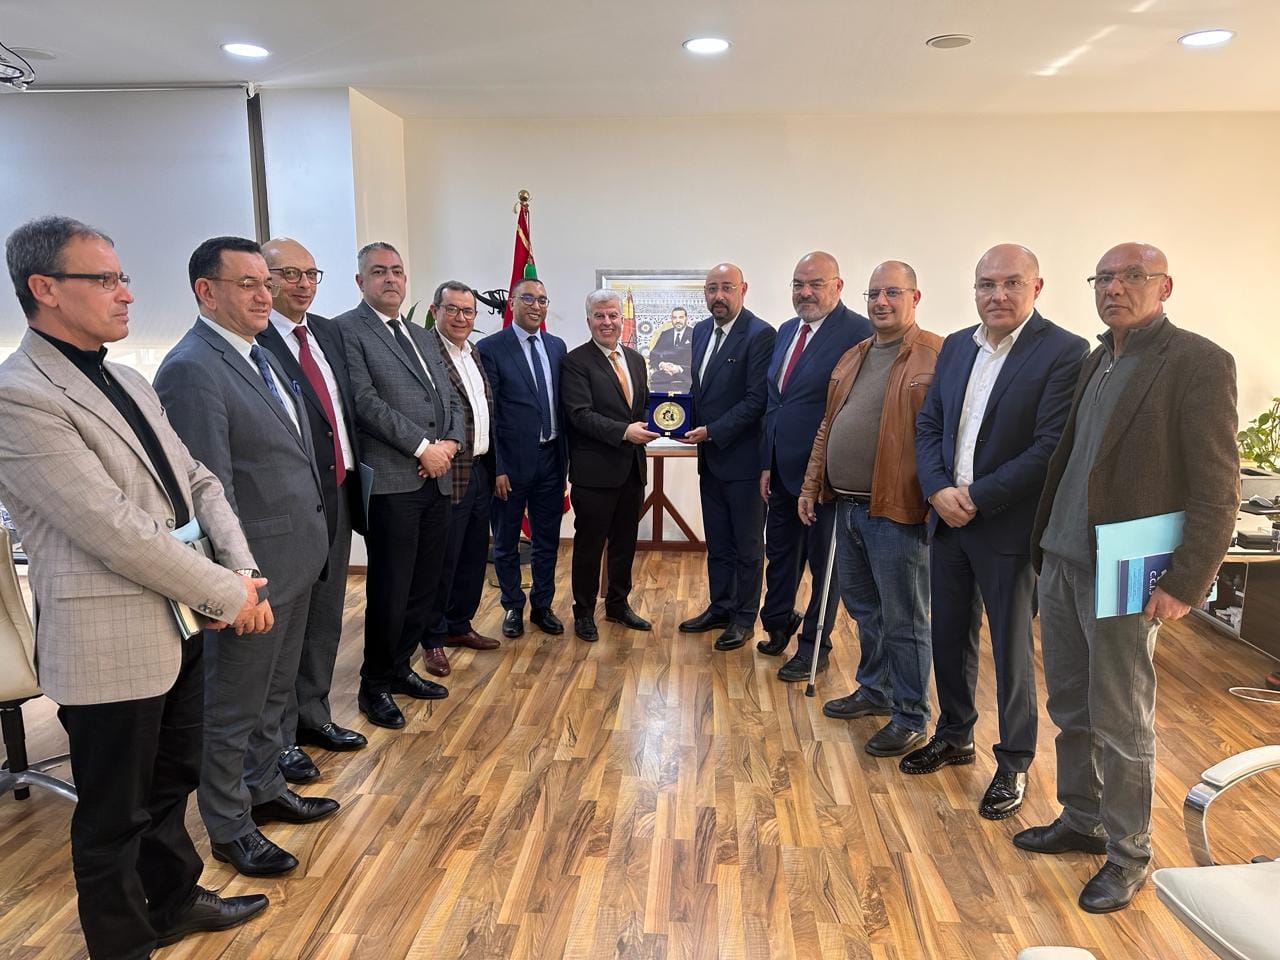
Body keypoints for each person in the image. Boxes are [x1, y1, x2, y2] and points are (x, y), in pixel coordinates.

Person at [0, 216, 269, 958]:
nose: (126, 293)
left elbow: (198, 480)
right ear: (45, 288)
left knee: (170, 781)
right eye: (105, 279)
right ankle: (122, 944)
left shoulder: (124, 379)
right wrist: (229, 594)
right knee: (112, 815)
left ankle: (174, 901)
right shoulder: (20, 394)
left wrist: (243, 570)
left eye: (123, 277)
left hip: (178, 621)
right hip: (107, 638)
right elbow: (112, 529)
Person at [1015, 243, 1239, 914]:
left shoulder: (1197, 362)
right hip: (1062, 561)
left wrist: (1185, 582)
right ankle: (1082, 818)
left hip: (1124, 572)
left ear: (1164, 286)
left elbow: (1218, 488)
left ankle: (1128, 854)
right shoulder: (1099, 358)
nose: (1114, 288)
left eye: (1131, 277)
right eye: (1104, 278)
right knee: (1071, 707)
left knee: (1121, 716)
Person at [155, 236, 337, 878]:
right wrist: (237, 580)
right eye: (249, 284)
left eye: (268, 282)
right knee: (232, 707)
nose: (267, 294)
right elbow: (210, 488)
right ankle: (230, 827)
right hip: (252, 574)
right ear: (206, 292)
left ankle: (264, 789)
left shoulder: (259, 353)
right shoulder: (191, 368)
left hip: (295, 559)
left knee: (273, 696)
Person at [907, 244, 1087, 820]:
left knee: (1010, 650)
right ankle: (954, 734)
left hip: (1007, 526)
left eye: (1011, 283)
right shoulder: (958, 345)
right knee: (948, 635)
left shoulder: (1064, 351)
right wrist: (937, 489)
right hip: (947, 520)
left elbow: (1050, 447)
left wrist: (976, 498)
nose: (998, 295)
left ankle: (1013, 761)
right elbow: (930, 424)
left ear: (1037, 287)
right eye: (987, 284)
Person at [798, 261, 942, 757]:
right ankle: (876, 689)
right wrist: (811, 484)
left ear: (915, 297)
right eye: (874, 293)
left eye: (893, 292)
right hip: (847, 507)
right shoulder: (854, 355)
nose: (881, 302)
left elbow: (944, 434)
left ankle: (911, 715)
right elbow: (827, 426)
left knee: (905, 618)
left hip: (897, 510)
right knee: (864, 610)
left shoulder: (934, 354)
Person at [337, 242, 464, 729]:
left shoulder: (422, 334)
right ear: (360, 281)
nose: (390, 279)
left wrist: (450, 444)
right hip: (393, 482)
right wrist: (422, 448)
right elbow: (363, 401)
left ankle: (400, 667)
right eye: (379, 272)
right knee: (391, 588)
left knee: (424, 585)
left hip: (435, 481)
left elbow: (451, 396)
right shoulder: (348, 331)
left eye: (397, 271)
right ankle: (373, 685)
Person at [256, 237, 368, 784]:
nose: (303, 284)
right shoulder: (255, 341)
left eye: (310, 274)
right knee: (284, 632)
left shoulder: (325, 332)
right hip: (291, 507)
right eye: (289, 274)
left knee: (325, 615)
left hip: (338, 493)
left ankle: (313, 714)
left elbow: (341, 410)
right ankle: (278, 742)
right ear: (264, 279)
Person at [759, 251, 871, 681]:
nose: (805, 292)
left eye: (816, 284)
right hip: (781, 471)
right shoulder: (788, 330)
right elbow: (776, 402)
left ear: (838, 286)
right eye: (798, 284)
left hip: (826, 476)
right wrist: (766, 463)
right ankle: (778, 622)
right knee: (780, 553)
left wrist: (826, 469)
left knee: (825, 566)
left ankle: (813, 647)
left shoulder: (859, 333)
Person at [677, 264, 775, 650]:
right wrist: (677, 420)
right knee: (718, 543)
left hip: (744, 462)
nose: (718, 296)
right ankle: (720, 607)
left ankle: (744, 618)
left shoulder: (760, 334)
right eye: (711, 289)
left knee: (748, 547)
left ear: (743, 290)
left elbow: (756, 400)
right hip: (710, 460)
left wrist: (712, 431)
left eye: (726, 288)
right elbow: (699, 391)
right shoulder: (701, 331)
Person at [560, 289, 657, 641]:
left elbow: (642, 406)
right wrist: (625, 432)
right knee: (589, 546)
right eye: (599, 316)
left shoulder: (635, 360)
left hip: (632, 470)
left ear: (622, 319)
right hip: (595, 474)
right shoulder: (575, 362)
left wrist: (662, 423)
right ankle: (584, 612)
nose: (607, 322)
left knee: (624, 543)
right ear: (589, 321)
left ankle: (618, 604)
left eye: (613, 315)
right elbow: (579, 415)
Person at [476, 278, 569, 640]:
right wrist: (496, 467)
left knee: (547, 540)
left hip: (551, 460)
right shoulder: (491, 348)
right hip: (510, 467)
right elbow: (490, 413)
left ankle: (542, 606)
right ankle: (513, 606)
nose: (536, 305)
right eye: (528, 298)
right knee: (505, 541)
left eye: (542, 300)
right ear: (512, 303)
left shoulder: (556, 346)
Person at [418, 280, 499, 677]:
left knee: (472, 555)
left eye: (468, 311)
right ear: (435, 311)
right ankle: (432, 638)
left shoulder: (474, 353)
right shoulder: (424, 353)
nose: (461, 317)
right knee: (442, 559)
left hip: (479, 469)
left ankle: (458, 625)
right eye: (452, 309)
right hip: (447, 471)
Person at [647, 306, 695, 392]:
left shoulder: (694, 333)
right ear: (671, 319)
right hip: (665, 375)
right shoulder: (665, 334)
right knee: (656, 379)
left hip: (687, 375)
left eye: (681, 317)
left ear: (686, 318)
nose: (677, 320)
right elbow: (653, 354)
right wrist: (662, 364)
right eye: (674, 318)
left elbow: (699, 359)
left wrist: (679, 368)